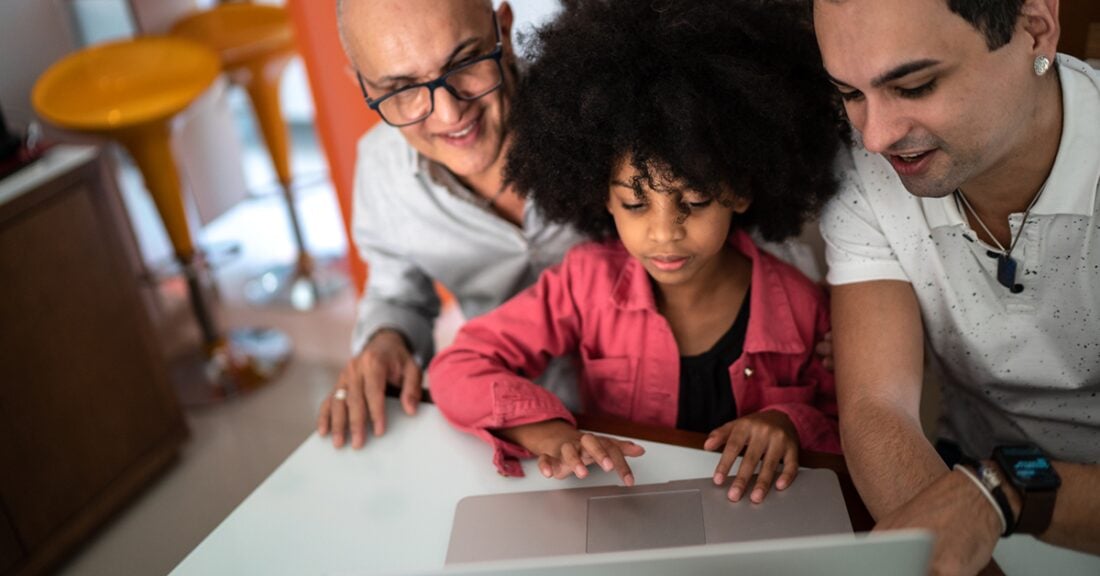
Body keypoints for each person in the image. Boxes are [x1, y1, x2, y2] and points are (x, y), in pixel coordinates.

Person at [429, 0, 843, 504]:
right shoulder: (584, 286)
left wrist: (790, 423)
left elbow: (853, 425)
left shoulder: (804, 308)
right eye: (634, 202)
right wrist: (547, 433)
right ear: (602, 194)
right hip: (627, 510)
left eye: (693, 201)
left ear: (739, 190)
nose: (664, 233)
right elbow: (459, 367)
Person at [812, 0, 1100, 573]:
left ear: (1034, 31)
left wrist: (1002, 493)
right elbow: (876, 409)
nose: (875, 137)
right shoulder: (863, 171)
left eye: (914, 86)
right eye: (850, 94)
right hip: (956, 476)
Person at [318, 0, 586, 450]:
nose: (449, 114)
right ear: (363, 85)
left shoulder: (602, 105)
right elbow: (397, 295)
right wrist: (387, 340)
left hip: (665, 415)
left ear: (503, 29)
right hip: (521, 426)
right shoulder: (382, 170)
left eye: (465, 62)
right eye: (401, 87)